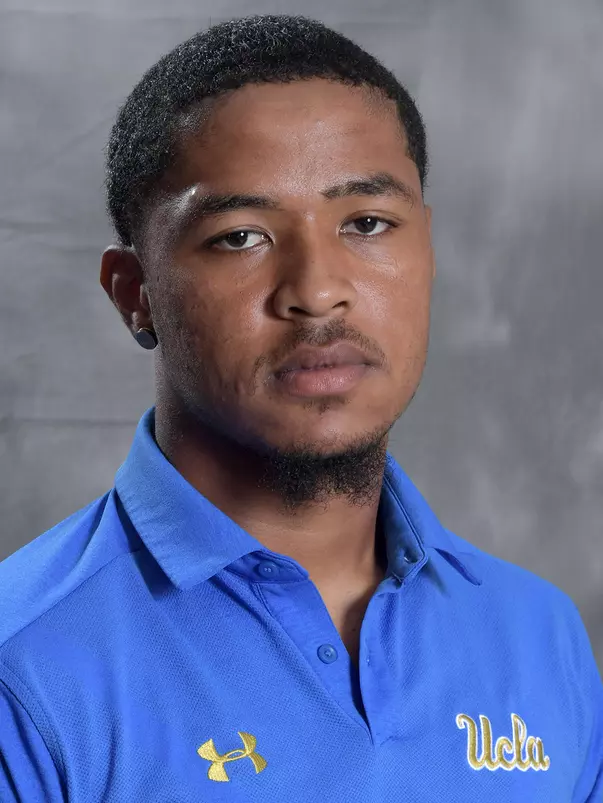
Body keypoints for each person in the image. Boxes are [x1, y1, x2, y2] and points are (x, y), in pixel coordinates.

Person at [0, 13, 601, 802]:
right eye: (240, 236)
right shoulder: (25, 669)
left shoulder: (539, 634)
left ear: (426, 251)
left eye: (367, 223)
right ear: (134, 293)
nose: (317, 290)